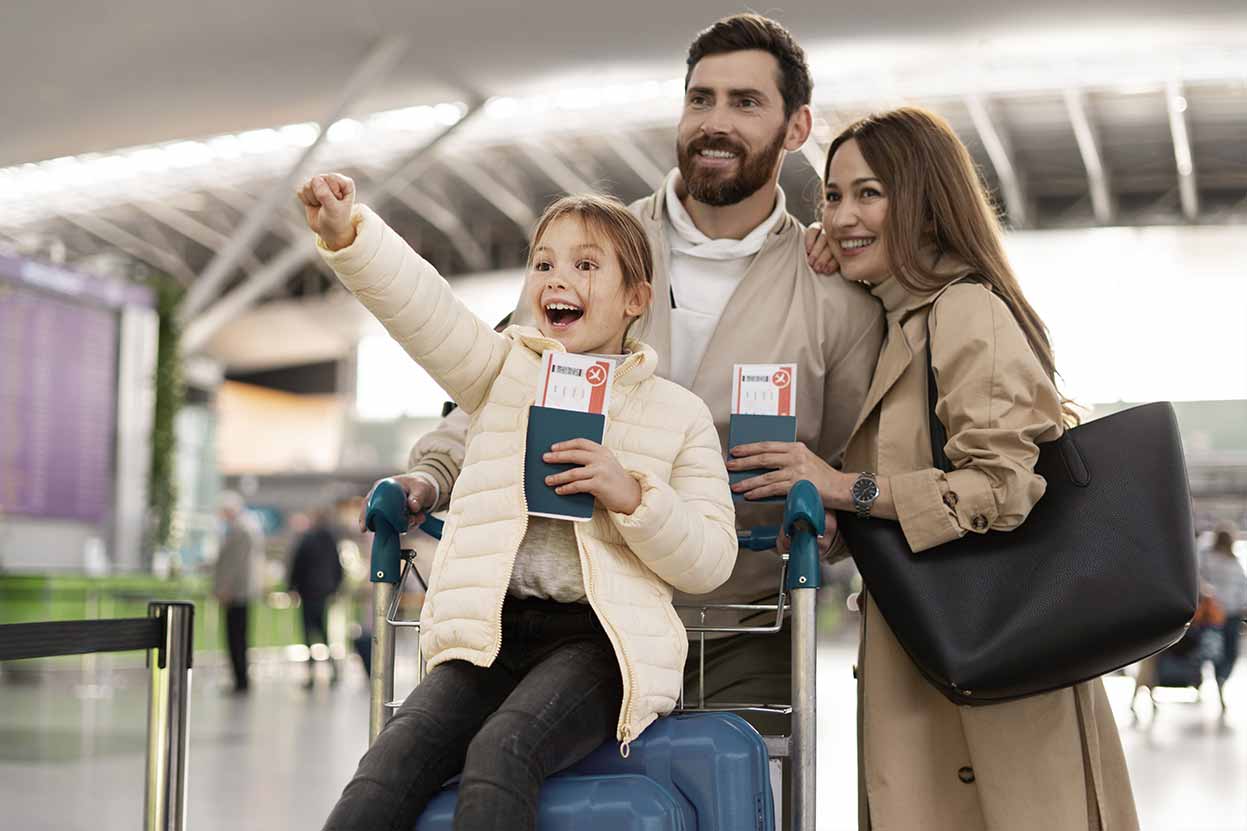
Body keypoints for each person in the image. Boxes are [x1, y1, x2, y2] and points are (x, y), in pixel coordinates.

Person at [361, 12, 884, 714]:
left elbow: (856, 455)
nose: (715, 121)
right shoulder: (590, 250)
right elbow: (507, 385)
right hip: (579, 616)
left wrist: (834, 515)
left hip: (743, 627)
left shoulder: (832, 295)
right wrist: (432, 474)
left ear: (797, 128)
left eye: (746, 102)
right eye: (701, 98)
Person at [732, 107, 1138, 829]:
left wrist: (840, 485)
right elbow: (902, 485)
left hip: (994, 666)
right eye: (830, 195)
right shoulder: (899, 323)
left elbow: (1000, 488)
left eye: (870, 192)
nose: (842, 214)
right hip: (932, 652)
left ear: (923, 199)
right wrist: (836, 515)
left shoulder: (964, 311)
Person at [299, 175, 738, 830]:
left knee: (503, 750)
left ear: (635, 299)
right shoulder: (502, 373)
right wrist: (349, 234)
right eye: (544, 263)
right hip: (490, 631)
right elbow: (427, 313)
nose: (557, 278)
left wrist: (630, 493)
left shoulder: (678, 415)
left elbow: (709, 560)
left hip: (598, 642)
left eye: (586, 264)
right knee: (385, 767)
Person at [287, 507, 345, 688]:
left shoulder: (307, 540)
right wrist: (335, 587)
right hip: (324, 591)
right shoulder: (330, 541)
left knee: (308, 633)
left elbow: (297, 564)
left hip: (308, 592)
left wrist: (292, 587)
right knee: (324, 632)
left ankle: (311, 674)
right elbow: (338, 566)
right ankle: (333, 671)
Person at [212, 490, 263, 695]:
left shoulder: (241, 530)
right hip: (239, 592)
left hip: (237, 593)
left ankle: (241, 680)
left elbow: (236, 565)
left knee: (236, 638)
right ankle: (239, 679)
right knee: (237, 637)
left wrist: (226, 588)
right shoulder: (246, 527)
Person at [1201, 523, 1247, 711]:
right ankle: (1219, 679)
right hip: (1215, 614)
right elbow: (1201, 582)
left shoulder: (1234, 560)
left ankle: (1222, 678)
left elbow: (1243, 585)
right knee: (1216, 650)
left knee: (1231, 652)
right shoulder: (1207, 558)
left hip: (1233, 613)